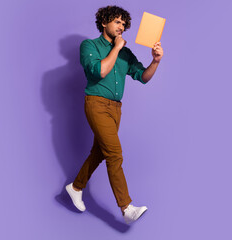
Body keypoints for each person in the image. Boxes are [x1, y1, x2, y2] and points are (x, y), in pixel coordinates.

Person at [65, 5, 163, 224]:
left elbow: (143, 77)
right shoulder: (89, 45)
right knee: (115, 154)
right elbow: (98, 71)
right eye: (117, 22)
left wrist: (155, 61)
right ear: (104, 22)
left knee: (100, 152)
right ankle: (126, 208)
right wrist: (116, 48)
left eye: (123, 23)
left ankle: (75, 187)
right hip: (96, 105)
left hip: (116, 109)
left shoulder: (126, 53)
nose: (121, 26)